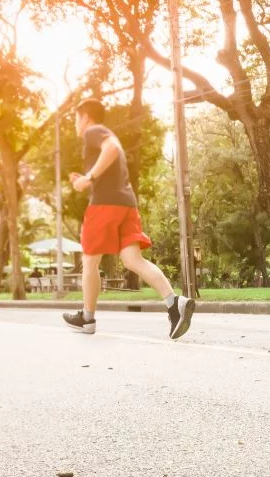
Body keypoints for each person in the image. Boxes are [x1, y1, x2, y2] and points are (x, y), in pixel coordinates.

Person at [63, 98, 194, 339]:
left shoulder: (93, 131)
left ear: (86, 117)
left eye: (75, 118)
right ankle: (174, 303)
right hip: (126, 203)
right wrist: (85, 179)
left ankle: (87, 318)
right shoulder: (100, 134)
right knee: (133, 259)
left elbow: (112, 148)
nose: (75, 124)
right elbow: (111, 155)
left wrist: (89, 179)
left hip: (105, 204)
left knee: (90, 261)